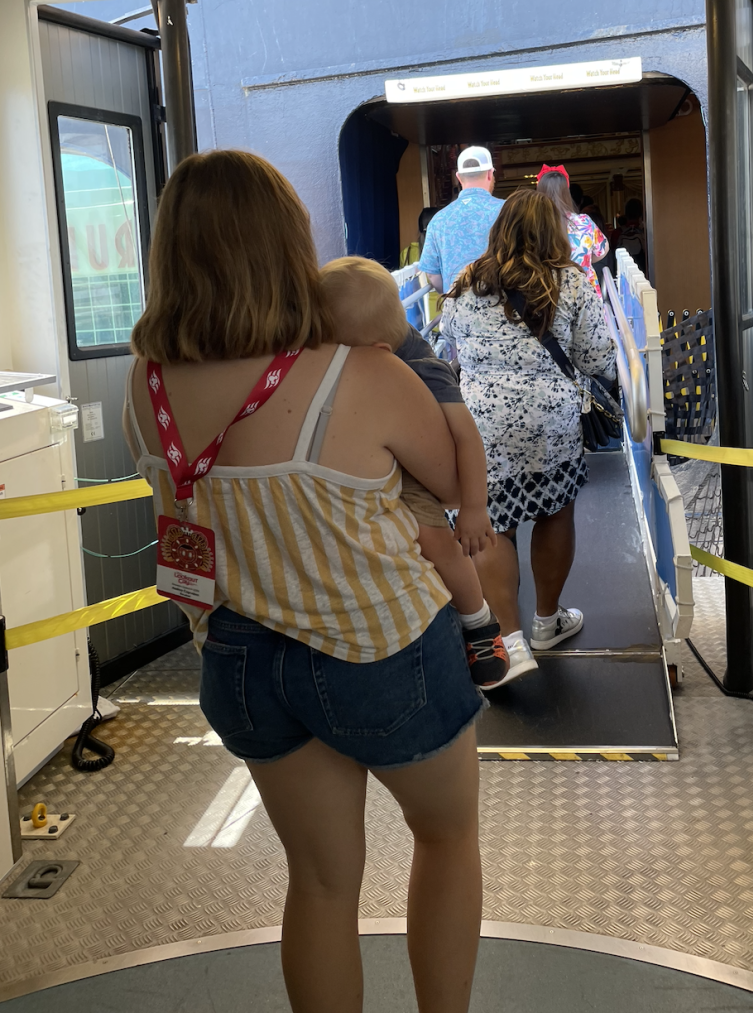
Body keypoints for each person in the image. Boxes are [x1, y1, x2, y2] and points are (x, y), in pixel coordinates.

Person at [123, 150, 483, 1013]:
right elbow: (441, 480)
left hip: (242, 662)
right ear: (286, 243)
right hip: (382, 650)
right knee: (446, 836)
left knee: (319, 883)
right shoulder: (358, 373)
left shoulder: (145, 383)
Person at [442, 190, 617, 681]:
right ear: (553, 231)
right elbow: (597, 360)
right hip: (549, 425)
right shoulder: (572, 283)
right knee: (554, 512)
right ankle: (547, 620)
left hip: (481, 428)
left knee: (492, 522)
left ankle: (510, 643)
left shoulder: (466, 282)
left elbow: (445, 345)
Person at [315, 255, 508, 688]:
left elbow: (466, 436)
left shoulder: (423, 368)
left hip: (415, 474)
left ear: (379, 354)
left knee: (438, 543)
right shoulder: (365, 345)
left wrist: (475, 508)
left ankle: (479, 624)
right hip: (373, 457)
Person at [419, 146, 503, 293]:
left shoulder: (439, 220)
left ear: (458, 177)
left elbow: (432, 275)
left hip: (458, 311)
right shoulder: (510, 211)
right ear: (490, 174)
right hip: (504, 309)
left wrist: (450, 296)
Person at [535, 164, 610, 297]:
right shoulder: (584, 222)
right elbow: (602, 251)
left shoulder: (532, 224)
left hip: (547, 298)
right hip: (585, 296)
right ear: (566, 192)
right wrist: (583, 259)